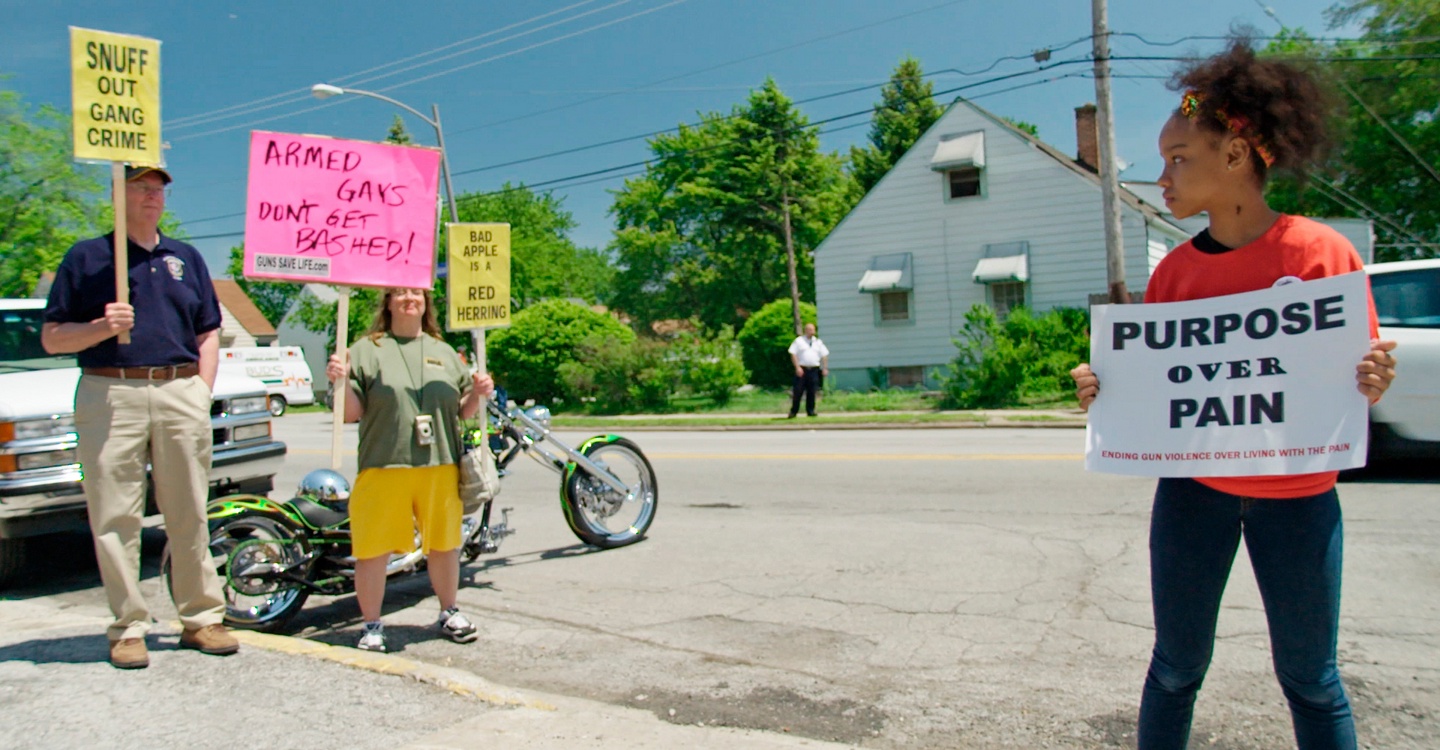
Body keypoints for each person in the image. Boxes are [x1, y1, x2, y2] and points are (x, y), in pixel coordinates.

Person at [1069, 41, 1398, 750]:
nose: (1163, 177)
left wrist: (1371, 380)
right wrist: (1105, 388)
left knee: (1312, 679)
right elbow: (1152, 390)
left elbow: (1352, 380)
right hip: (1194, 493)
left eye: (1179, 157)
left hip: (1301, 497)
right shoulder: (1175, 275)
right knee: (1175, 669)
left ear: (1238, 153)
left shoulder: (1320, 254)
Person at [41, 166, 239, 669]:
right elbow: (52, 337)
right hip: (111, 391)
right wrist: (99, 327)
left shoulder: (185, 258)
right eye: (141, 188)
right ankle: (129, 627)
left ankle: (202, 618)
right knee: (116, 516)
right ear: (118, 193)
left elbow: (209, 331)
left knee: (189, 510)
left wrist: (200, 390)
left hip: (179, 390)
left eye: (159, 189)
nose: (153, 197)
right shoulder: (87, 258)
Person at [326, 286, 495, 653]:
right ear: (387, 302)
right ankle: (372, 624)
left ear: (425, 302)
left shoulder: (443, 351)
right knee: (373, 550)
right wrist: (339, 380)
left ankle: (449, 611)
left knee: (445, 546)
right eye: (399, 293)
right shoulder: (364, 349)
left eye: (416, 292)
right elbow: (351, 412)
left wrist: (479, 392)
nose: (409, 298)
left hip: (440, 463)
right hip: (384, 463)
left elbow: (461, 410)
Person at [787, 323, 829, 418]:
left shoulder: (818, 342)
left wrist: (825, 368)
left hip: (814, 370)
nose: (812, 332)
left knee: (812, 391)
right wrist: (797, 367)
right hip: (802, 369)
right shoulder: (799, 341)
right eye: (810, 330)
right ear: (806, 330)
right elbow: (793, 353)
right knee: (798, 391)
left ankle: (811, 411)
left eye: (813, 330)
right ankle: (794, 411)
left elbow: (824, 355)